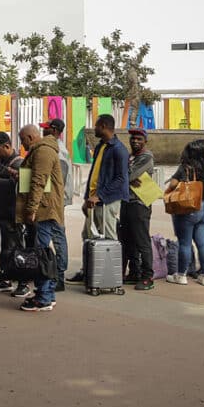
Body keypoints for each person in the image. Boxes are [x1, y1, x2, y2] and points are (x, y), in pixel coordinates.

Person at [67, 114, 129, 285]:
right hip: (94, 201)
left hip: (107, 201)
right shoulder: (102, 146)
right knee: (87, 235)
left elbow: (121, 179)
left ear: (103, 126)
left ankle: (109, 275)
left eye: (95, 126)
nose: (93, 129)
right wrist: (88, 198)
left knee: (109, 238)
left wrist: (99, 196)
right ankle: (88, 271)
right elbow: (96, 175)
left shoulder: (118, 149)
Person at [15, 125, 66, 312]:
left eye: (23, 140)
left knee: (41, 255)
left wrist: (31, 209)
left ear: (30, 137)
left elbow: (39, 180)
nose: (22, 144)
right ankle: (46, 294)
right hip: (44, 208)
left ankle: (44, 296)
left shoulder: (43, 151)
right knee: (42, 252)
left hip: (44, 210)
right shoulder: (43, 149)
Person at [164, 140, 204, 286]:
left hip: (189, 209)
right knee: (203, 242)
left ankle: (181, 275)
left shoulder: (185, 168)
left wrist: (168, 192)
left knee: (185, 243)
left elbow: (173, 184)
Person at [0, 131, 30, 298]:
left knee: (17, 249)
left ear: (7, 146)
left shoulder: (19, 163)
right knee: (4, 249)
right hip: (0, 213)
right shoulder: (0, 162)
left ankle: (23, 283)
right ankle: (5, 278)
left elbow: (21, 186)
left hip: (13, 215)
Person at [120, 129, 155, 290]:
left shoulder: (146, 157)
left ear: (145, 141)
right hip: (127, 202)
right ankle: (134, 272)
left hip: (140, 204)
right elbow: (124, 175)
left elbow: (128, 175)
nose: (135, 141)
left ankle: (148, 276)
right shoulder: (130, 156)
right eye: (133, 138)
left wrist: (126, 178)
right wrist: (126, 179)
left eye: (139, 139)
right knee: (128, 240)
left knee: (142, 241)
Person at [41, 119, 71, 290]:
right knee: (56, 235)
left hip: (55, 201)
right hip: (55, 199)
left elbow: (57, 180)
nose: (43, 133)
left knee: (58, 237)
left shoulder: (58, 152)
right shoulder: (54, 149)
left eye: (45, 129)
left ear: (54, 130)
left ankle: (59, 276)